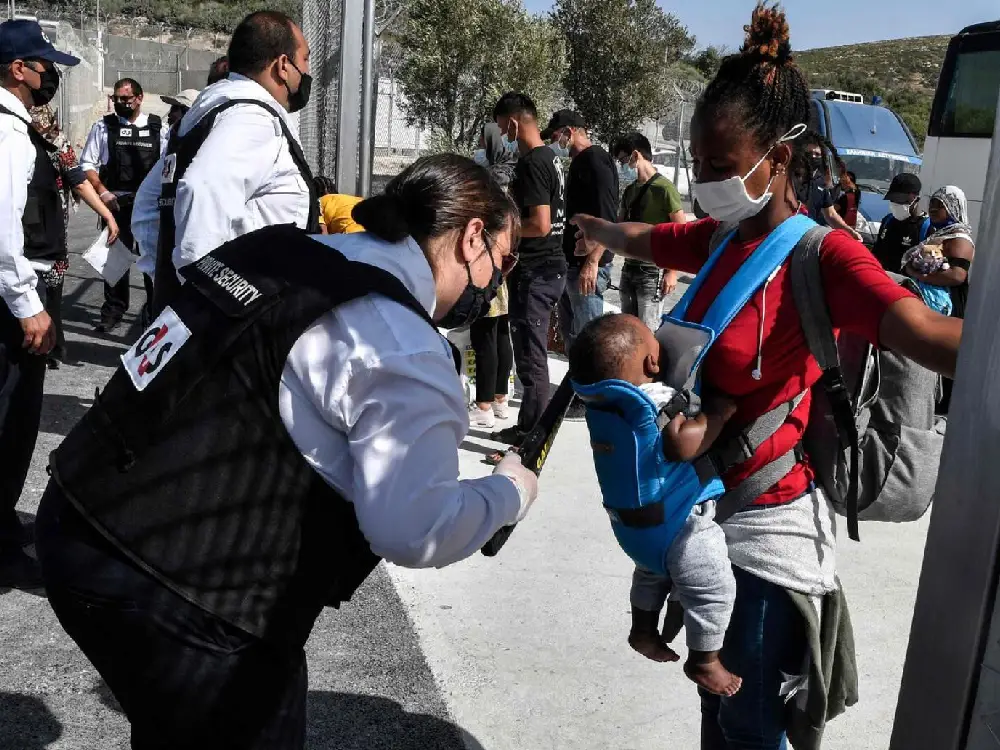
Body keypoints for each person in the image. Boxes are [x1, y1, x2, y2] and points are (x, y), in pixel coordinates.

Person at [36, 154, 539, 748]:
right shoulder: (398, 340)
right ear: (472, 236)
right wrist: (508, 492)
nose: (497, 283)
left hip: (74, 518)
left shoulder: (272, 250)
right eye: (504, 262)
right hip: (188, 599)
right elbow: (414, 528)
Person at [569, 4, 961, 746]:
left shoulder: (823, 256)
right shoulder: (722, 240)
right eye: (699, 162)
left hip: (768, 533)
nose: (706, 181)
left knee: (748, 726)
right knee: (718, 718)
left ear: (777, 160)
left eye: (721, 165)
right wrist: (594, 232)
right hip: (704, 521)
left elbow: (927, 334)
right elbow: (649, 237)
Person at [569, 313, 741, 696]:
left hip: (634, 529)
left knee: (651, 573)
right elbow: (682, 442)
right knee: (713, 588)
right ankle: (704, 660)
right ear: (652, 363)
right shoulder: (656, 397)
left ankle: (643, 630)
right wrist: (718, 414)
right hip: (678, 526)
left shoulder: (605, 407)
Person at [132, 10, 319, 316]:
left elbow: (147, 206)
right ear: (283, 65)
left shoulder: (205, 114)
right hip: (243, 323)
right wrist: (209, 303)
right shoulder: (251, 118)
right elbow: (201, 188)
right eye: (306, 59)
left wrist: (167, 278)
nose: (307, 71)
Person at [0, 18, 79, 588]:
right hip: (6, 301)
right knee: (11, 421)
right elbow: (2, 229)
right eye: (44, 64)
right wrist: (28, 304)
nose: (50, 74)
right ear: (17, 69)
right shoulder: (7, 131)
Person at [491, 92, 566, 447]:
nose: (501, 134)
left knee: (531, 359)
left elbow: (540, 224)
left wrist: (504, 233)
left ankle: (531, 439)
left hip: (537, 272)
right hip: (545, 269)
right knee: (529, 355)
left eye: (501, 127)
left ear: (513, 122)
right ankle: (527, 427)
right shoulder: (549, 157)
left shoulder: (534, 162)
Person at [30, 104, 120, 367]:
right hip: (46, 234)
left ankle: (47, 348)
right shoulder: (54, 144)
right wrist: (107, 214)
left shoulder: (41, 142)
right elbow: (79, 182)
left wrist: (106, 213)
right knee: (48, 293)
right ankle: (50, 347)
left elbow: (79, 181)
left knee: (37, 291)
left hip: (36, 232)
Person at [544, 110, 618, 410]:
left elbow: (608, 218)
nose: (555, 141)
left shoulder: (595, 161)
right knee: (574, 337)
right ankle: (578, 393)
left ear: (570, 131)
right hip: (572, 264)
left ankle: (592, 399)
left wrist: (592, 261)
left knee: (588, 338)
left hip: (587, 266)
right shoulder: (579, 163)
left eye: (557, 135)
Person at [81, 77, 164, 333]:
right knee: (115, 259)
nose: (119, 103)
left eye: (125, 98)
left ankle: (153, 312)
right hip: (116, 204)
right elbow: (88, 164)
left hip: (149, 206)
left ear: (139, 98)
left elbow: (166, 165)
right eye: (116, 98)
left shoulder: (158, 128)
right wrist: (103, 192)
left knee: (152, 260)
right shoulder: (103, 127)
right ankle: (113, 311)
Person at [469, 121, 518, 429]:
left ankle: (484, 405)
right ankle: (500, 400)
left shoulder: (489, 193)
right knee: (500, 335)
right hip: (505, 273)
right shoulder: (509, 192)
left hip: (488, 271)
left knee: (484, 337)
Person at [613, 132, 686, 331]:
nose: (622, 166)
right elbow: (619, 226)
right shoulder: (630, 191)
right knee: (627, 330)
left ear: (636, 155)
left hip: (652, 273)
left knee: (647, 332)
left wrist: (671, 272)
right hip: (628, 269)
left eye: (623, 160)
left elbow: (681, 233)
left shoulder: (664, 189)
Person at [911, 185, 974, 414]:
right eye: (933, 203)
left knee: (944, 348)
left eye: (941, 205)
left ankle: (944, 406)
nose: (934, 208)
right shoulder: (938, 234)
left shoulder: (960, 238)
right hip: (933, 302)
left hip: (951, 304)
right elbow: (924, 265)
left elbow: (957, 276)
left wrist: (920, 276)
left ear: (954, 208)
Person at [800, 134, 862, 240]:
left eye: (817, 154)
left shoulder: (821, 183)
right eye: (809, 153)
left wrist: (849, 231)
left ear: (822, 157)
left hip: (808, 237)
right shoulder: (791, 178)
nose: (813, 157)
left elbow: (831, 214)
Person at [871, 172, 930, 273]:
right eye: (892, 199)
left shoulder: (926, 227)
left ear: (915, 198)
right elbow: (876, 253)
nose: (895, 204)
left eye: (900, 200)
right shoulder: (887, 221)